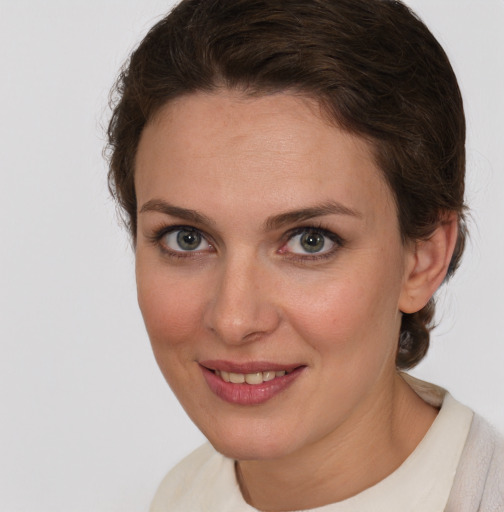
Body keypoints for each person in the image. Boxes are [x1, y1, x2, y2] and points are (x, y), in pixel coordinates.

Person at [106, 0, 503, 510]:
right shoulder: (181, 496)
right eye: (187, 238)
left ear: (423, 259)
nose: (233, 319)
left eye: (309, 240)